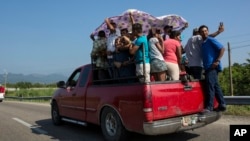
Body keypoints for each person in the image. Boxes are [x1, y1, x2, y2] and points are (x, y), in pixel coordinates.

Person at [198, 25, 226, 113]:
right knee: (215, 86)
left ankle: (209, 107)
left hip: (212, 67)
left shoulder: (210, 40)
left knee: (210, 86)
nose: (204, 32)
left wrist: (217, 61)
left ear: (208, 31)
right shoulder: (204, 42)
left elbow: (222, 48)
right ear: (199, 33)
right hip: (207, 67)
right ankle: (222, 104)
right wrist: (218, 31)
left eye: (206, 31)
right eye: (202, 31)